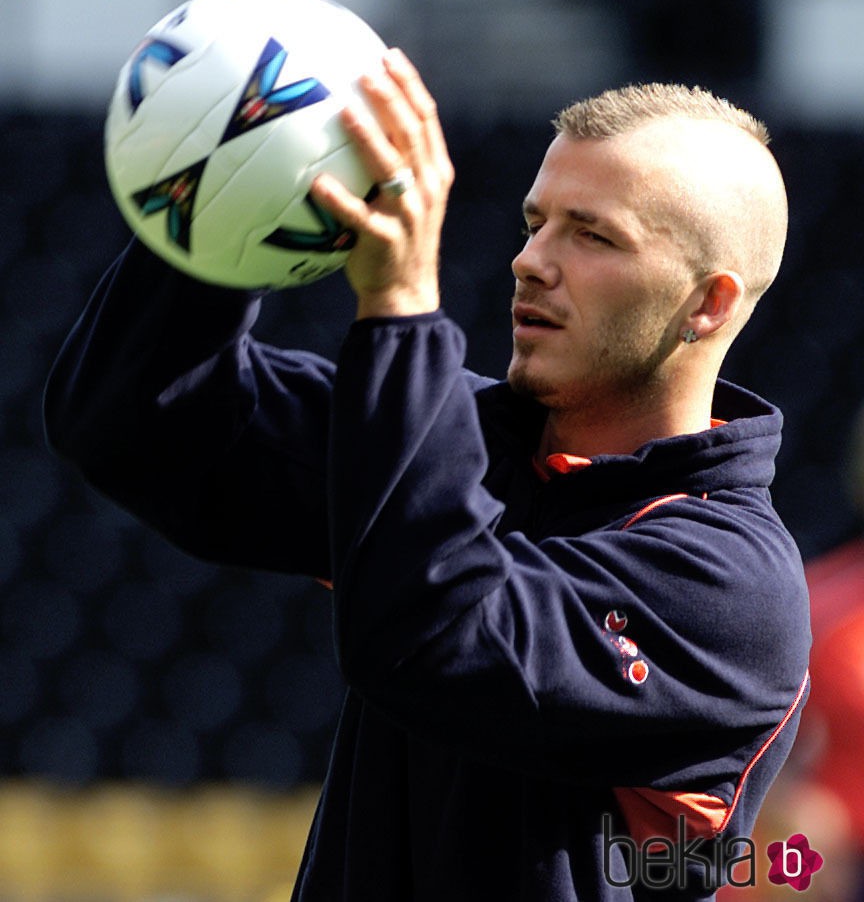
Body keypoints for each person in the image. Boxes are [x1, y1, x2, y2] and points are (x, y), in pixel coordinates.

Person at [44, 46, 811, 901]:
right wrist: (223, 203)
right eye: (535, 222)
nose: (532, 260)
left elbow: (434, 638)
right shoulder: (464, 434)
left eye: (593, 235)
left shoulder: (732, 585)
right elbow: (131, 420)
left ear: (707, 302)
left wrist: (403, 310)